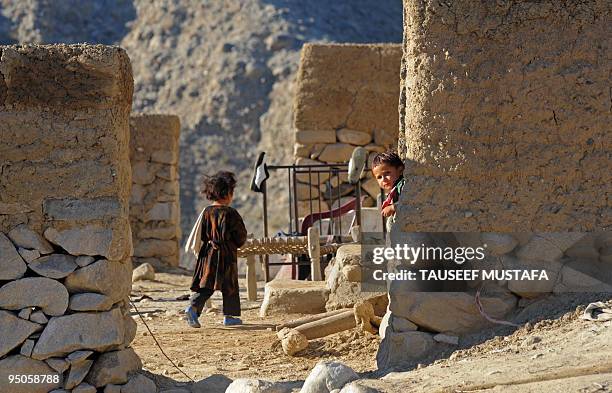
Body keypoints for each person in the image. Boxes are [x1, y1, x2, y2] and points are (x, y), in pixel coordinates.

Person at [184, 171, 248, 328]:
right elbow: (240, 236)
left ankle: (193, 307)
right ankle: (230, 316)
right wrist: (235, 244)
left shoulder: (206, 212)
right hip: (226, 256)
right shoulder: (231, 213)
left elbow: (203, 233)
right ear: (227, 193)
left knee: (206, 284)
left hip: (208, 253)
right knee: (230, 286)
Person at [371, 151, 405, 222]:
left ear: (400, 170)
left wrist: (393, 207)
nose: (383, 179)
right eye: (379, 177)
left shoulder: (402, 186)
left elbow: (410, 203)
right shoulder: (394, 190)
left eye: (387, 173)